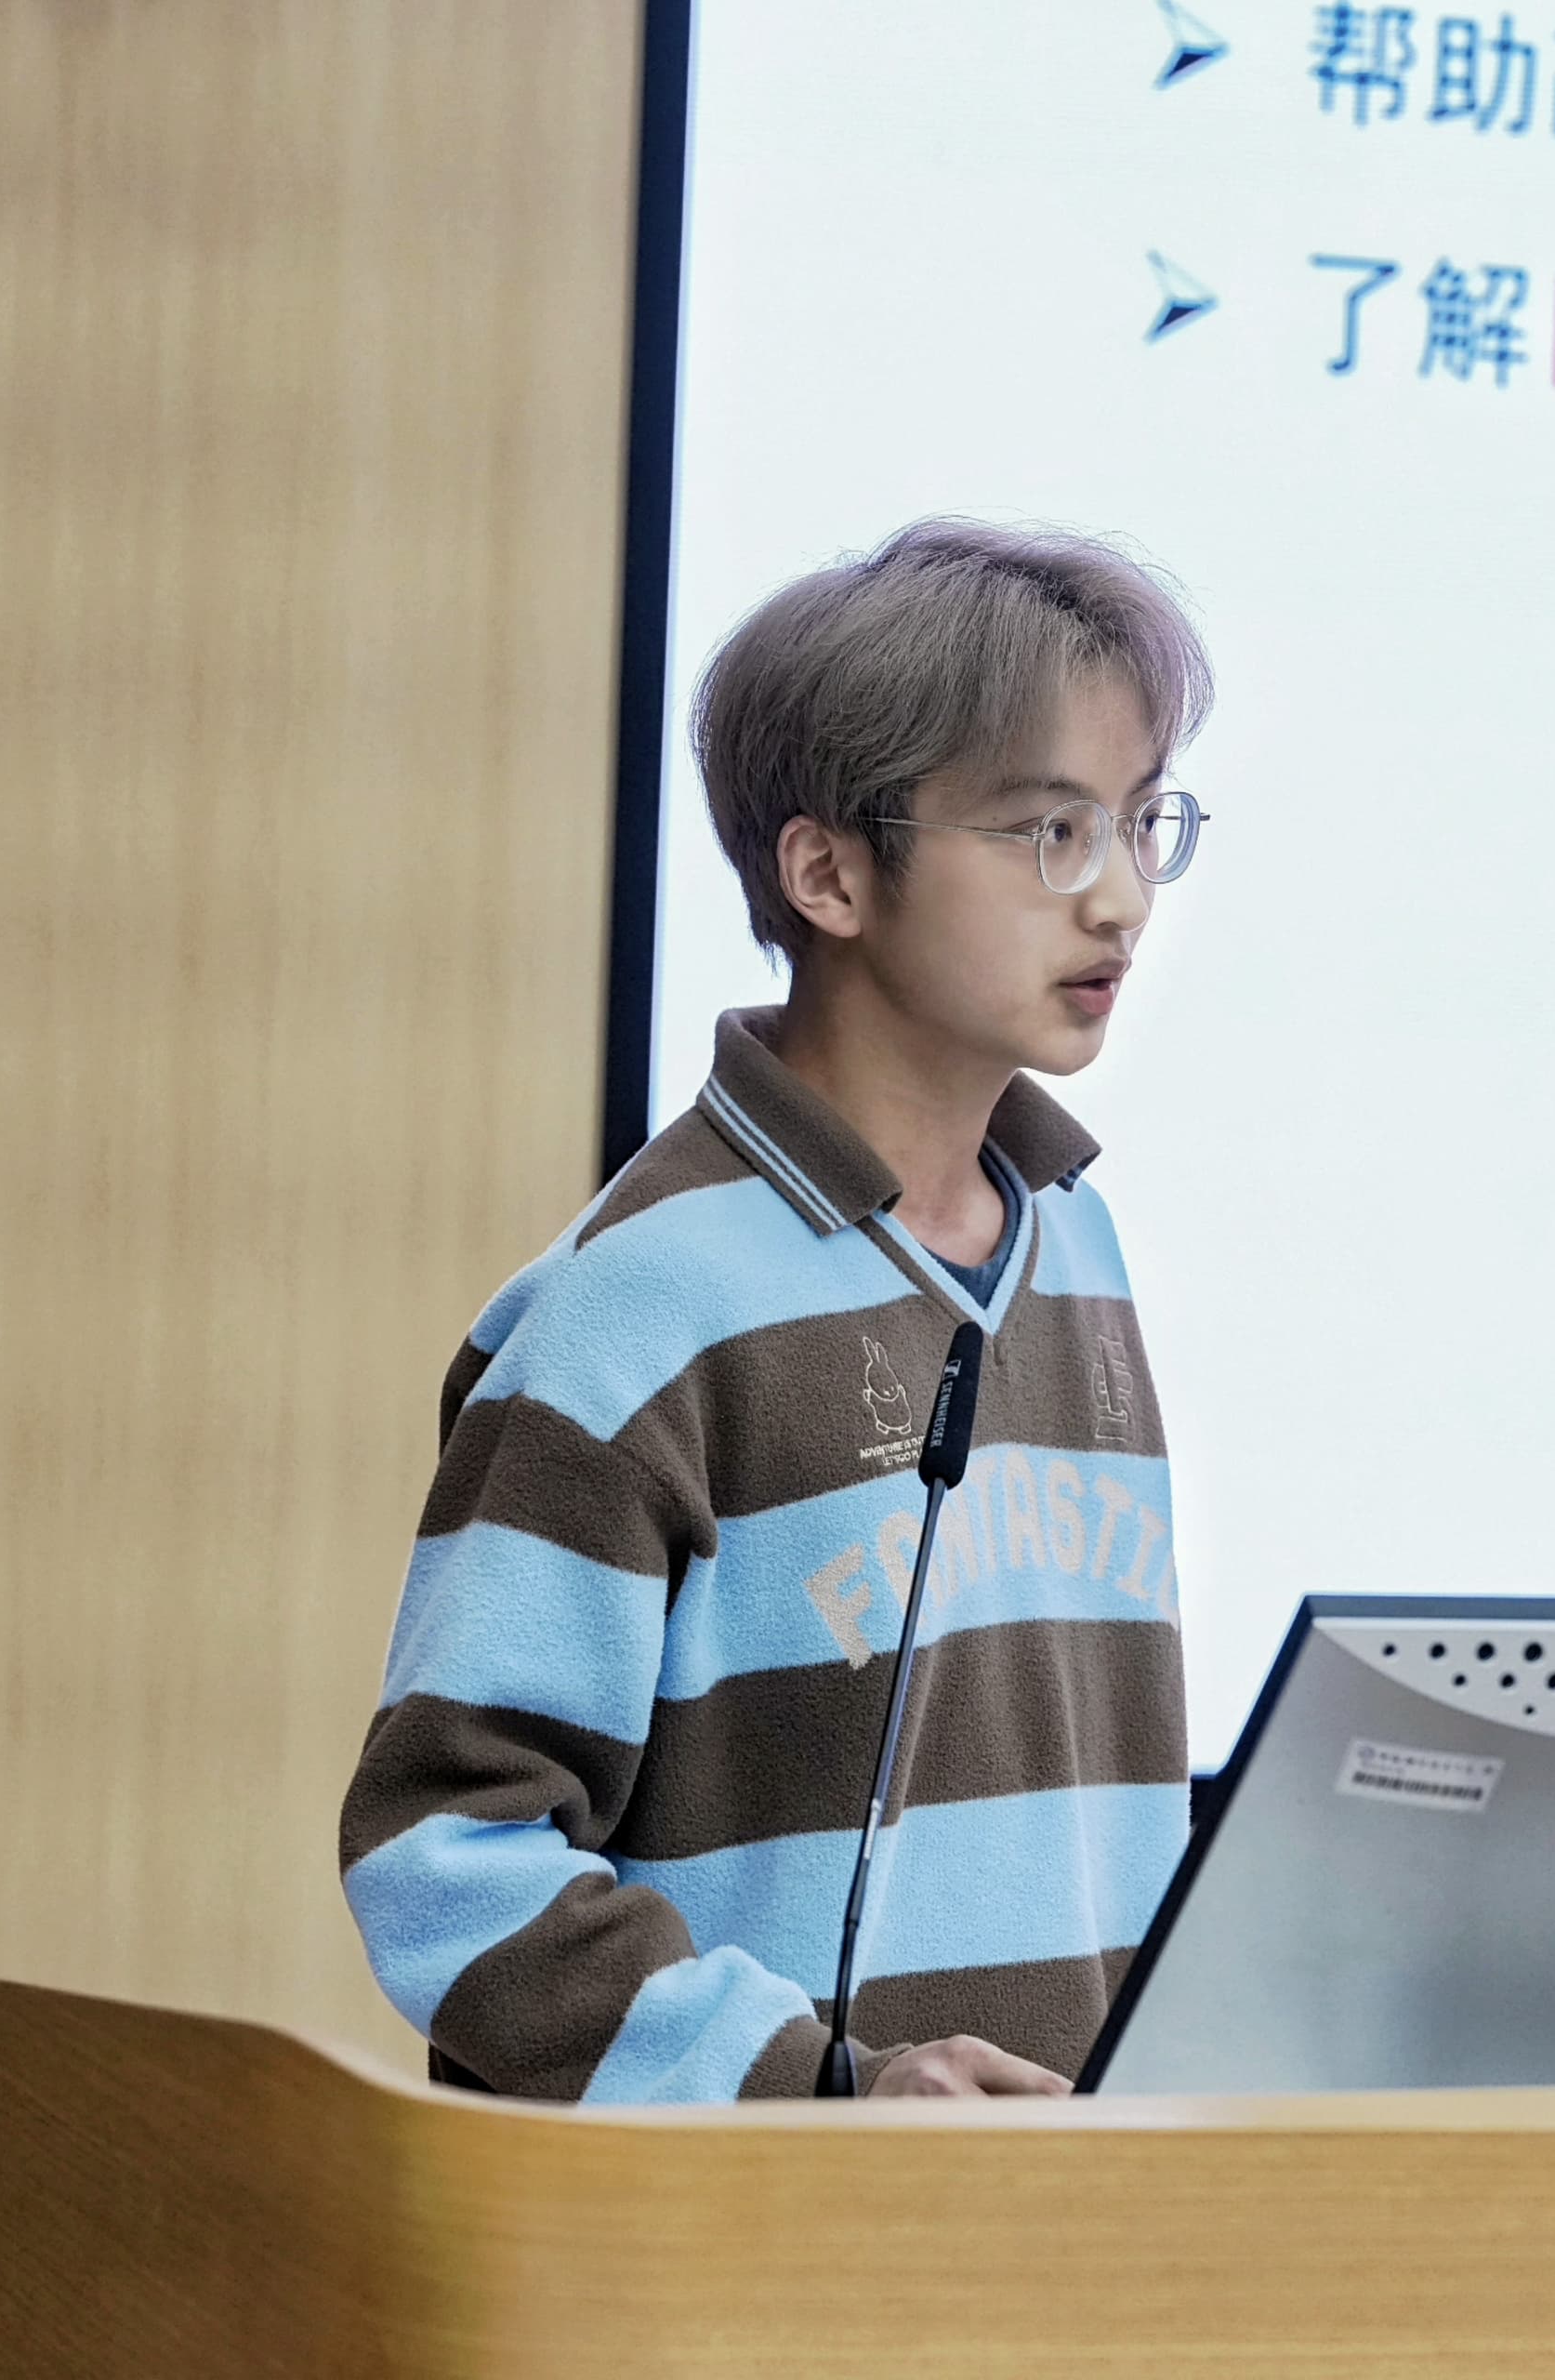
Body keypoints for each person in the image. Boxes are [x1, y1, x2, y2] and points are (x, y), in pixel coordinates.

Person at [339, 519, 1213, 2098]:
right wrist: (817, 2090)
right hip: (775, 2222)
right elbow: (442, 1856)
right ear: (828, 874)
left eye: (1145, 823)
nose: (1123, 901)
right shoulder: (641, 1306)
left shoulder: (1076, 1242)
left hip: (1076, 2211)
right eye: (1051, 832)